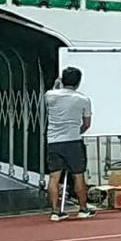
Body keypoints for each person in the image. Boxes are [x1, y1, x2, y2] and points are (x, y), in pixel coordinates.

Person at [45, 66, 96, 221]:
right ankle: (83, 208)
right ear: (78, 82)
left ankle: (55, 211)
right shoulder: (83, 100)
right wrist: (76, 132)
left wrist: (56, 85)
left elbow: (53, 94)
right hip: (73, 141)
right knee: (78, 175)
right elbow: (86, 124)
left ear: (62, 79)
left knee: (54, 177)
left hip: (54, 141)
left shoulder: (49, 95)